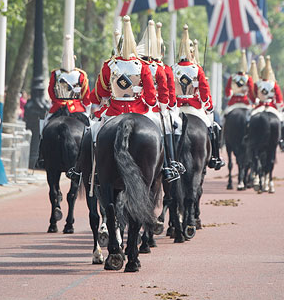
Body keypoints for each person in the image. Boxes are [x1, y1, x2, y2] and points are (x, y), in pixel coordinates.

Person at [67, 15, 158, 182]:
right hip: (140, 112)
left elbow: (101, 93)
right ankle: (167, 167)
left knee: (91, 132)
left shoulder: (109, 65)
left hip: (113, 113)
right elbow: (152, 98)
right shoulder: (143, 66)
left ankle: (82, 170)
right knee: (161, 133)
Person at [172, 24, 225, 170]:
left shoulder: (172, 68)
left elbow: (169, 90)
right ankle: (215, 156)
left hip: (176, 108)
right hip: (195, 106)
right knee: (212, 125)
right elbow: (204, 91)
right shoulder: (197, 69)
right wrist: (208, 106)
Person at [137, 20, 182, 182]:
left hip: (134, 107)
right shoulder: (162, 68)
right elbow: (166, 90)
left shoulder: (136, 65)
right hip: (154, 107)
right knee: (171, 125)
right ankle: (170, 163)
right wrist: (166, 106)